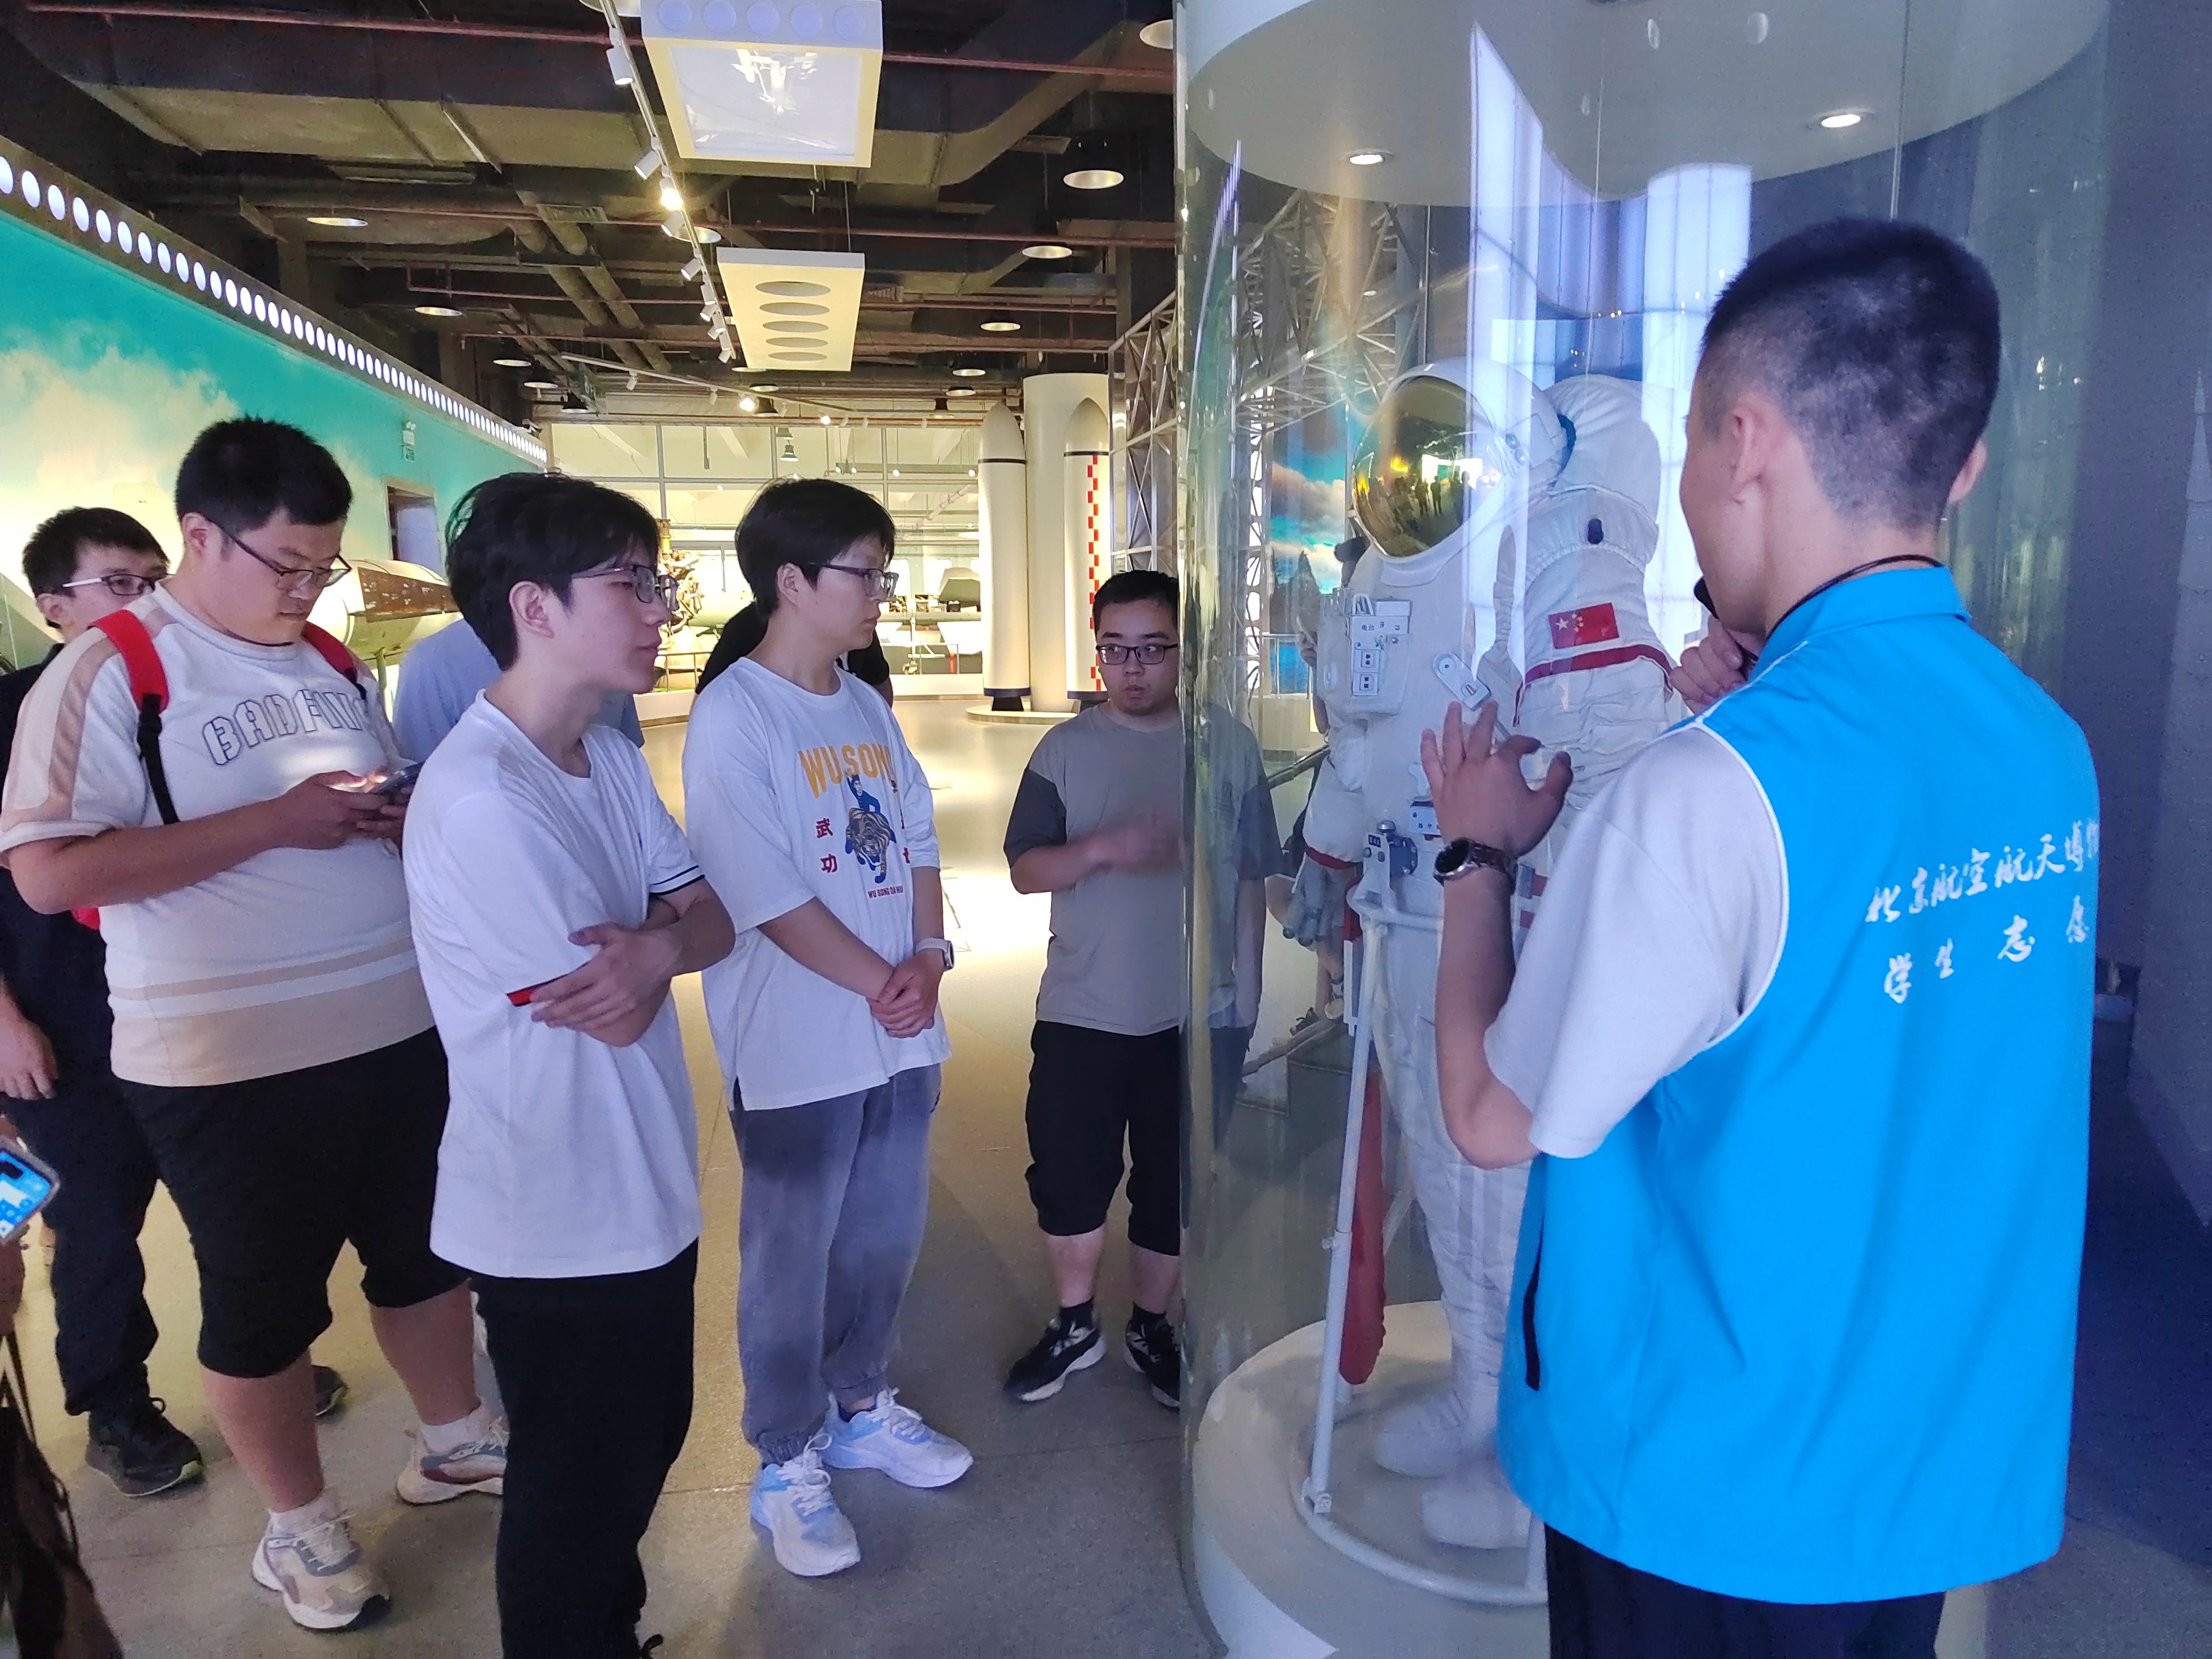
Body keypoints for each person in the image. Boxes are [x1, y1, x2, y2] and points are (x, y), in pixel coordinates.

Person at [1424, 220, 2097, 1656]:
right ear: (1961, 466)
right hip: (1918, 1462)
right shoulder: (2045, 747)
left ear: (1741, 443)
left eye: (1683, 444)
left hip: (1705, 1486)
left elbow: (1486, 1115)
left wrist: (1476, 853)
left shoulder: (1702, 794)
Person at [0, 419, 503, 1634]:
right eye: (285, 563)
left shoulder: (328, 659)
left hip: (391, 1027)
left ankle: (455, 1438)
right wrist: (277, 823)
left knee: (425, 1256)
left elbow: (350, 807)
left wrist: (388, 816)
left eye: (323, 566)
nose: (305, 588)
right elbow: (49, 873)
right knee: (263, 1299)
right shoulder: (112, 672)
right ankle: (300, 1528)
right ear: (200, 535)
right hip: (228, 1061)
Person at [405, 473, 731, 1659]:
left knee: (638, 1449)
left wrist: (656, 944)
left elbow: (711, 922)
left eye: (657, 582)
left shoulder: (604, 757)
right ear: (533, 606)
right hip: (552, 1209)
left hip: (638, 1181)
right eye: (629, 583)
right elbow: (612, 1013)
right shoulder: (483, 796)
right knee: (574, 1490)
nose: (658, 610)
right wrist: (659, 943)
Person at [682, 478, 969, 1581]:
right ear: (791, 581)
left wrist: (928, 956)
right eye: (866, 573)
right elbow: (762, 891)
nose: (880, 593)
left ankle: (860, 1404)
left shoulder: (859, 702)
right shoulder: (734, 716)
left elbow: (918, 836)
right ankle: (785, 1458)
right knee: (788, 1262)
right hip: (798, 1047)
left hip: (898, 1034)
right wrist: (880, 979)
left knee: (883, 1237)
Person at [999, 570, 1279, 1411]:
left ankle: (1150, 1326)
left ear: (1183, 653)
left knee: (1173, 1183)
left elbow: (1251, 879)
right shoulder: (1063, 751)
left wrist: (1246, 999)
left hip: (1195, 1015)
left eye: (1152, 650)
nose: (1132, 668)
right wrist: (1103, 849)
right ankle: (1074, 1322)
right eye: (1115, 650)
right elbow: (1025, 868)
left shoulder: (1228, 747)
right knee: (1069, 1177)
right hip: (1083, 1012)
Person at [0, 508, 198, 1496]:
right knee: (98, 1222)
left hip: (181, 1002)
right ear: (53, 607)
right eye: (119, 584)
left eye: (156, 581)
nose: (145, 603)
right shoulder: (10, 716)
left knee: (225, 1199)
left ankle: (258, 1364)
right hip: (58, 1020)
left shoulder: (172, 701)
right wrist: (4, 1024)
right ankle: (116, 1407)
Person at [392, 606, 644, 761]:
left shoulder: (606, 653)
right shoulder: (432, 663)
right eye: (621, 584)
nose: (656, 612)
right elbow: (420, 786)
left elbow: (627, 758)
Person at [695, 598, 893, 701]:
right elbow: (707, 695)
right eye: (862, 575)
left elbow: (880, 684)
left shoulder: (856, 627)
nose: (880, 595)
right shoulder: (747, 628)